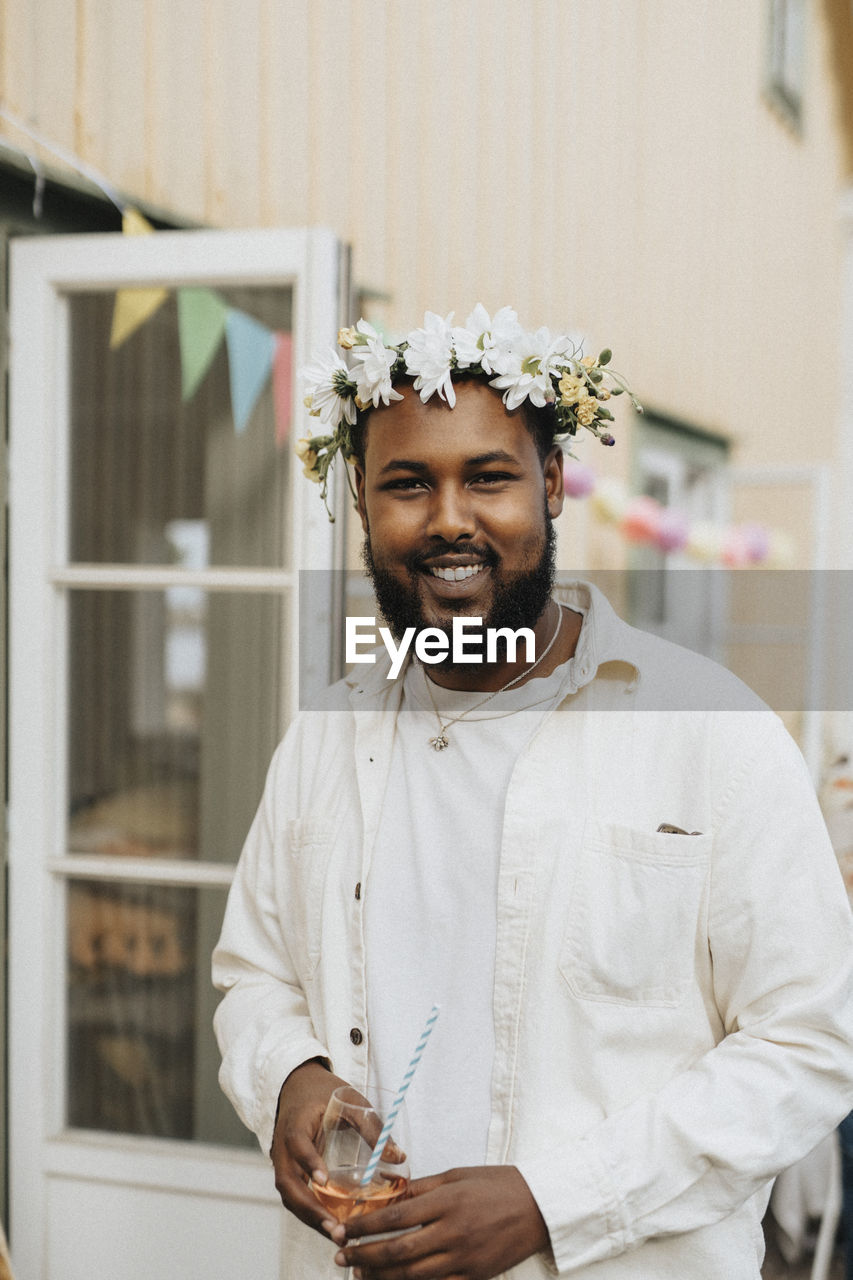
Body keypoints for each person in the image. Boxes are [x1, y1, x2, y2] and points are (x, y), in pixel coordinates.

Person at [212, 307, 853, 1279]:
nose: (449, 519)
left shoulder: (711, 732)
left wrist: (551, 1203)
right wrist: (289, 1075)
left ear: (551, 483)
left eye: (489, 475)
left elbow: (811, 1042)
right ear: (362, 501)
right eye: (407, 483)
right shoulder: (322, 737)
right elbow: (253, 974)